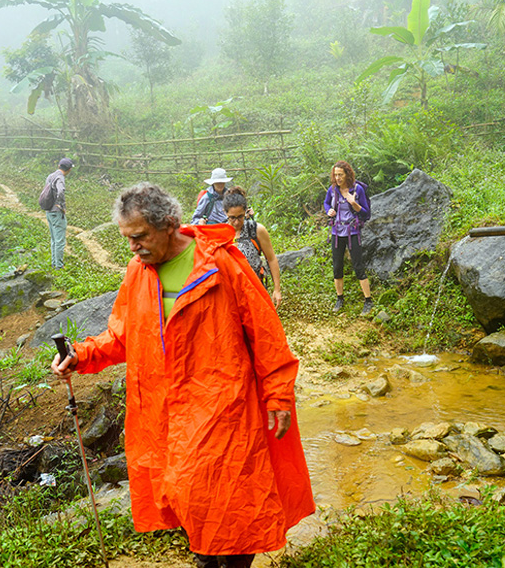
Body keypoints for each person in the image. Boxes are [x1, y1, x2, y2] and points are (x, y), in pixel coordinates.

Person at [51, 182, 314, 568]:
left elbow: (265, 329)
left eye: (140, 236)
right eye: (127, 239)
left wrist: (277, 394)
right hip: (168, 410)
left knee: (235, 495)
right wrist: (82, 354)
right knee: (191, 496)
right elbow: (123, 334)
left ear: (169, 224)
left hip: (226, 405)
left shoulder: (220, 262)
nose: (133, 247)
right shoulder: (137, 272)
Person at [324, 160, 373, 315]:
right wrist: (329, 210)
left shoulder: (357, 190)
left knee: (358, 265)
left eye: (340, 174)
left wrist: (354, 204)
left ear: (347, 174)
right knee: (337, 266)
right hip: (337, 232)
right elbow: (326, 203)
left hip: (353, 231)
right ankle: (340, 298)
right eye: (335, 174)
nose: (337, 178)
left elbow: (366, 214)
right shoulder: (332, 190)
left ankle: (368, 300)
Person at [223, 186, 282, 309]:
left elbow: (271, 259)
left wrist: (277, 289)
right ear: (225, 213)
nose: (237, 222)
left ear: (246, 211)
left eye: (240, 217)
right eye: (232, 218)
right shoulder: (221, 233)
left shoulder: (256, 230)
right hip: (230, 294)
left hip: (256, 290)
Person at [44, 157, 73, 269]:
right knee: (60, 240)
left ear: (58, 166)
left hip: (49, 211)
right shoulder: (60, 178)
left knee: (54, 239)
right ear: (69, 169)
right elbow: (60, 191)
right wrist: (61, 205)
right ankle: (59, 266)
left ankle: (54, 263)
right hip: (56, 212)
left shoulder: (50, 176)